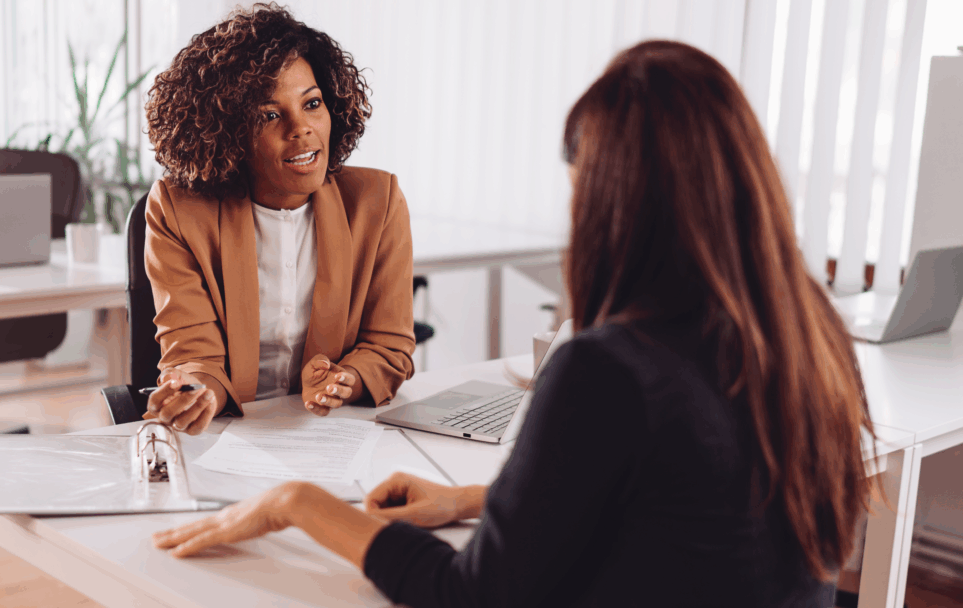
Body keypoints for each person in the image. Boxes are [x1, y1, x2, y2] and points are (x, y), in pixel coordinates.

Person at [151, 40, 876, 607]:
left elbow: (471, 595)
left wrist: (296, 502)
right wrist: (475, 499)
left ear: (612, 202)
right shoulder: (806, 332)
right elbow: (678, 499)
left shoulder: (608, 369)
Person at [141, 4, 415, 434]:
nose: (301, 128)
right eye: (270, 115)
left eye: (312, 103)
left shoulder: (376, 203)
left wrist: (345, 380)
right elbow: (194, 354)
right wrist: (195, 392)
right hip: (230, 433)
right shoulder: (179, 210)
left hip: (333, 434)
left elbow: (388, 345)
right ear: (227, 133)